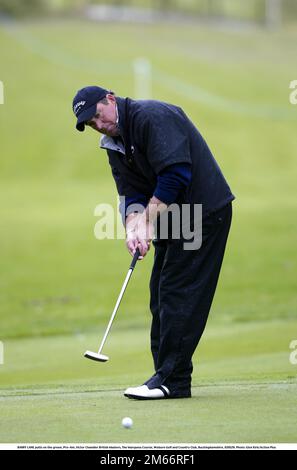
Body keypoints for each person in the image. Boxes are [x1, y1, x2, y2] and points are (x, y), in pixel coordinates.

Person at [72, 85, 235, 400]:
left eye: (97, 116)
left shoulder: (151, 116)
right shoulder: (113, 143)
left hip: (203, 212)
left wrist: (147, 221)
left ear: (109, 98)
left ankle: (172, 381)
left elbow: (176, 174)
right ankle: (166, 377)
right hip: (175, 218)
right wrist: (133, 228)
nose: (97, 125)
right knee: (159, 293)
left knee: (177, 292)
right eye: (90, 124)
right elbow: (130, 192)